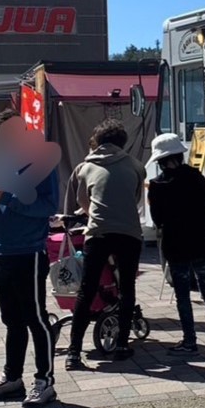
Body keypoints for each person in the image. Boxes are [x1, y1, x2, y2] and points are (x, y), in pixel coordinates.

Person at [0, 109, 59, 408]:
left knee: (36, 318)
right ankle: (12, 378)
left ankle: (44, 381)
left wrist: (4, 198)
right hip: (2, 250)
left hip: (30, 251)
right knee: (12, 320)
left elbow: (47, 207)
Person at [63, 119, 146, 370]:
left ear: (97, 142)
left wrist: (96, 215)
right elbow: (135, 199)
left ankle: (74, 352)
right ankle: (121, 344)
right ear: (123, 142)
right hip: (129, 233)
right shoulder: (135, 165)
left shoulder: (84, 167)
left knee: (86, 290)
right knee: (127, 287)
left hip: (98, 233)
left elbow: (82, 201)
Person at [146, 133, 205, 354]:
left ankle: (190, 341)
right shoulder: (196, 178)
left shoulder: (157, 186)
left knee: (183, 295)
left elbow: (158, 220)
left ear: (162, 161)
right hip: (200, 242)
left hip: (176, 246)